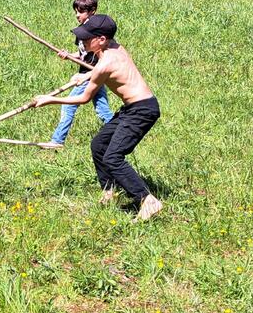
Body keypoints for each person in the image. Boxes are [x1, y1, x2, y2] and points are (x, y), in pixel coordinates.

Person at [33, 14, 163, 221]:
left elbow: (84, 98)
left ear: (101, 39)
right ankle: (109, 190)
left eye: (87, 38)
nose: (83, 42)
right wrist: (85, 75)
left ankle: (148, 200)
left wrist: (50, 99)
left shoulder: (106, 63)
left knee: (113, 157)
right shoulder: (115, 48)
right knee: (99, 145)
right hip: (133, 108)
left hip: (142, 111)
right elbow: (106, 71)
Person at [45, 0, 113, 149]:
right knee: (102, 110)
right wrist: (68, 55)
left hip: (90, 75)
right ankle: (118, 131)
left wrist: (89, 75)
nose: (77, 15)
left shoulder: (97, 32)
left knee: (68, 106)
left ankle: (57, 141)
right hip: (91, 75)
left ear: (92, 10)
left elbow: (106, 58)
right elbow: (83, 54)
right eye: (76, 11)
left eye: (81, 11)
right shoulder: (81, 31)